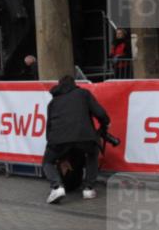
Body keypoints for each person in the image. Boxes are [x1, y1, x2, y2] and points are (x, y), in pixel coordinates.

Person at [42, 74, 110, 204]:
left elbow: (49, 126)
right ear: (74, 84)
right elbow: (100, 113)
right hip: (85, 137)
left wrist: (51, 145)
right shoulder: (83, 94)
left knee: (47, 162)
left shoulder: (53, 102)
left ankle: (57, 187)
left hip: (58, 139)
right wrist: (106, 123)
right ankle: (88, 188)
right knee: (92, 153)